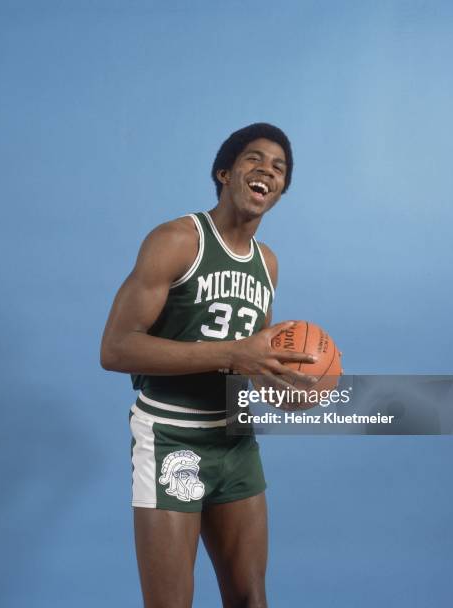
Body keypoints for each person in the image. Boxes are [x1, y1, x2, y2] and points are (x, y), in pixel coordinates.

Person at [100, 123, 316, 608]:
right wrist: (232, 354)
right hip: (172, 437)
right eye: (254, 159)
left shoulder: (268, 264)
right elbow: (115, 349)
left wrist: (285, 390)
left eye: (279, 168)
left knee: (249, 599)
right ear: (224, 172)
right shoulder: (177, 240)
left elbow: (253, 362)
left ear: (281, 191)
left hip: (234, 439)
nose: (267, 171)